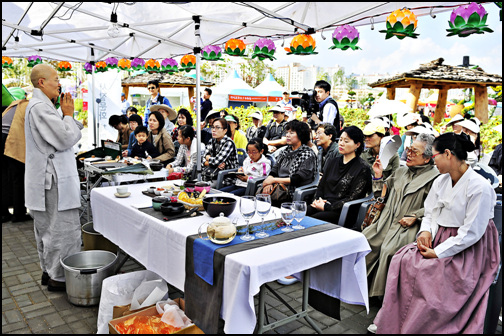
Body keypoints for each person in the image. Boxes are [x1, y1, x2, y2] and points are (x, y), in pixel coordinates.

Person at [371, 133, 500, 334]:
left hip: (468, 247)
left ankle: (423, 324)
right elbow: (430, 212)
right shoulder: (441, 181)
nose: (433, 160)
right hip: (440, 235)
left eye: (435, 155)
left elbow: (472, 232)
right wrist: (425, 232)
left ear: (447, 154)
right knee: (402, 259)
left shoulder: (479, 187)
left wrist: (439, 252)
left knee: (428, 273)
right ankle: (397, 319)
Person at [25, 64, 83, 292]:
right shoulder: (40, 106)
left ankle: (51, 270)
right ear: (42, 82)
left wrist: (65, 115)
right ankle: (59, 277)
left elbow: (58, 132)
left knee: (49, 229)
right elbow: (65, 137)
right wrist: (68, 114)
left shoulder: (42, 106)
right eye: (55, 79)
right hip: (54, 181)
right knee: (62, 230)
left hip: (49, 179)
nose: (59, 83)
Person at [363, 133, 440, 299]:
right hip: (385, 220)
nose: (408, 154)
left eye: (414, 151)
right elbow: (380, 195)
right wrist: (378, 175)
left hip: (407, 225)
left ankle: (385, 299)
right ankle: (359, 287)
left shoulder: (436, 178)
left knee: (389, 251)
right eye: (408, 149)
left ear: (427, 158)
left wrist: (416, 216)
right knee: (364, 240)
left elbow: (435, 207)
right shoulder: (401, 171)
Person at [308, 126, 372, 224]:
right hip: (323, 204)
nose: (341, 143)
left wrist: (327, 207)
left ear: (357, 144)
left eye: (346, 141)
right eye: (340, 140)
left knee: (311, 221)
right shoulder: (333, 162)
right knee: (299, 213)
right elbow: (321, 185)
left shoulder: (362, 168)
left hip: (343, 211)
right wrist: (318, 200)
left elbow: (353, 197)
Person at [262, 120, 318, 206]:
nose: (287, 135)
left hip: (294, 190)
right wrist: (269, 181)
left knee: (266, 201)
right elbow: (275, 169)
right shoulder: (285, 151)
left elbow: (297, 179)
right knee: (260, 195)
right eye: (287, 132)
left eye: (292, 133)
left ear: (301, 135)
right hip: (279, 186)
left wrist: (273, 180)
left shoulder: (307, 154)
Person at [2, 96, 31, 223]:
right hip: (9, 140)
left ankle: (3, 214)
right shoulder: (29, 107)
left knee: (4, 178)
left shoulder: (15, 104)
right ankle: (19, 214)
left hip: (3, 138)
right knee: (18, 178)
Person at [361, 119, 400, 190]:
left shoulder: (392, 155)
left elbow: (396, 180)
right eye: (365, 136)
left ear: (381, 136)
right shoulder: (363, 155)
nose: (366, 139)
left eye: (370, 136)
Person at [202, 117, 239, 188]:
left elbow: (216, 161)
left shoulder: (228, 143)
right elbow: (202, 160)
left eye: (217, 127)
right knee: (194, 184)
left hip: (226, 178)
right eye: (212, 127)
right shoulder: (211, 141)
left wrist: (208, 158)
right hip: (210, 176)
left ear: (225, 130)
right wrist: (214, 164)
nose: (213, 130)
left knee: (203, 188)